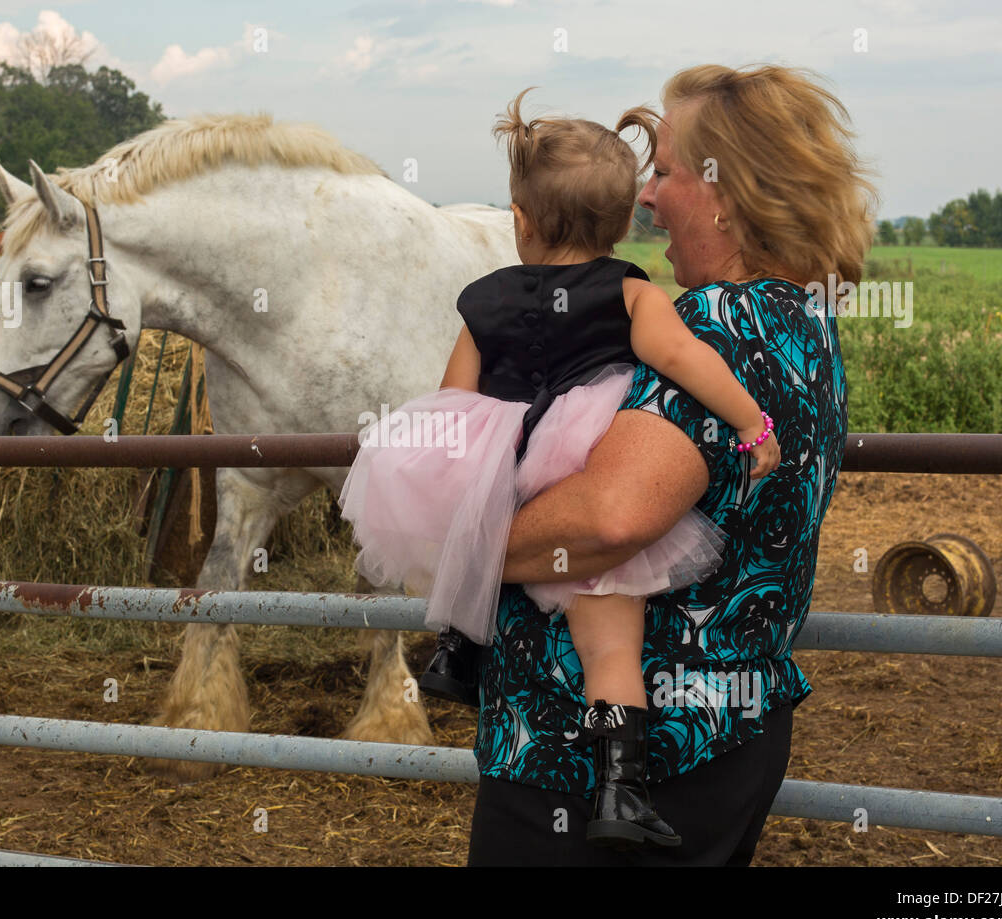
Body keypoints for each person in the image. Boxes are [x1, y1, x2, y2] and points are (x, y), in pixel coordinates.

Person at [337, 86, 781, 849]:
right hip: (580, 461)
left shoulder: (483, 300)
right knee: (609, 643)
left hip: (503, 460)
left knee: (481, 543)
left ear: (520, 221)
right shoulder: (632, 290)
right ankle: (620, 786)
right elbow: (681, 358)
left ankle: (456, 646)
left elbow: (452, 401)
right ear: (620, 223)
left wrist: (457, 478)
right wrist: (751, 421)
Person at [467, 64, 873, 866]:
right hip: (726, 735)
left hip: (594, 770)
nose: (645, 198)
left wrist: (456, 546)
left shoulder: (717, 325)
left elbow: (607, 519)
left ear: (726, 192)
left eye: (664, 172)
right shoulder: (803, 321)